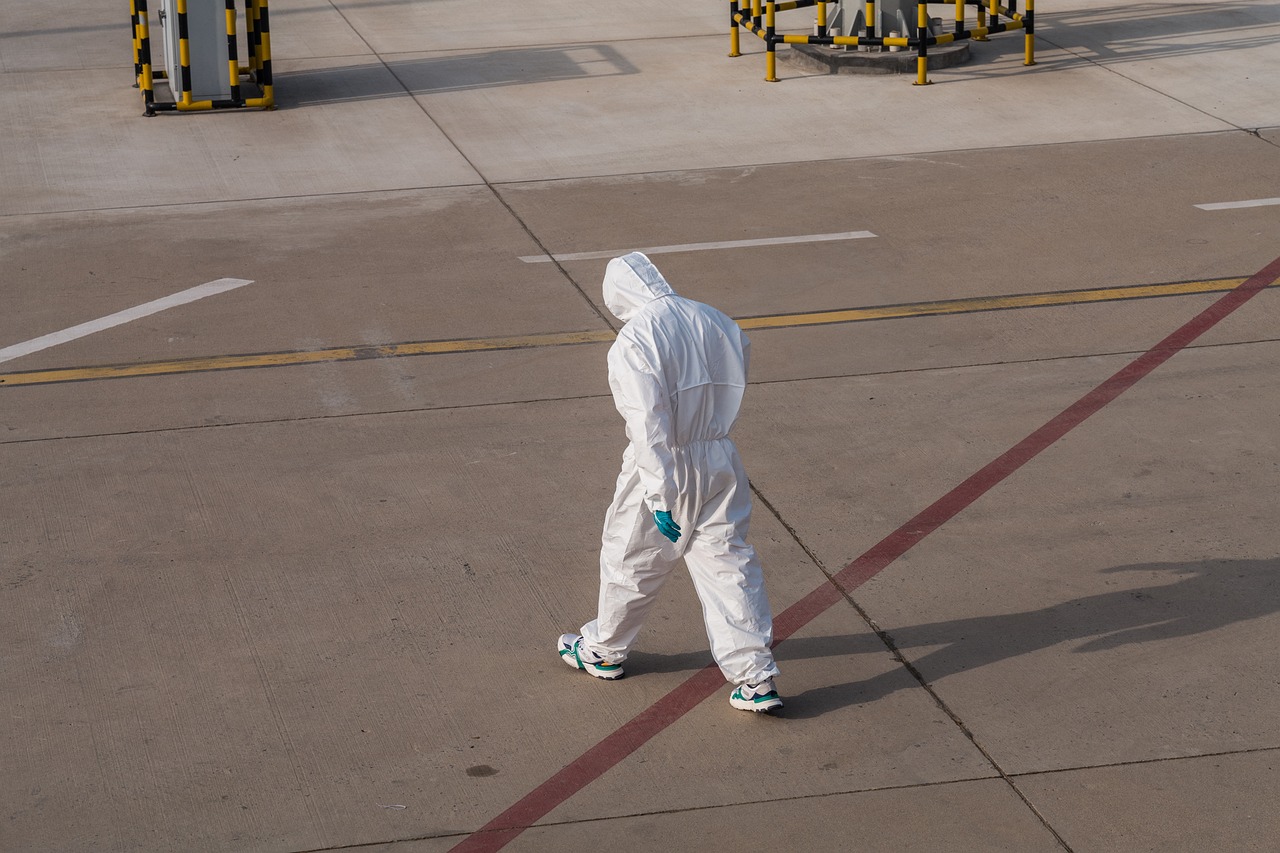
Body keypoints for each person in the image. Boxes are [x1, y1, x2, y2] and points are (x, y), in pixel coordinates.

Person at [557, 252, 782, 713]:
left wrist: (660, 494)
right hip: (720, 456)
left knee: (631, 558)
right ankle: (756, 677)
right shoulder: (714, 319)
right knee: (729, 564)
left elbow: (648, 425)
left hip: (664, 467)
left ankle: (604, 649)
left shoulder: (635, 340)